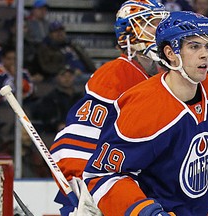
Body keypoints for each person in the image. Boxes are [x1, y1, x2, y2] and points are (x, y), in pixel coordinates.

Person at [78, 11, 208, 215]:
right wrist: (145, 211)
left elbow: (204, 162)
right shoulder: (144, 106)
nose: (204, 54)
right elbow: (103, 175)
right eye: (194, 46)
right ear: (171, 53)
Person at [49, 0, 168, 215]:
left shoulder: (162, 77)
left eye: (162, 23)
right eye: (153, 23)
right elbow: (74, 143)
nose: (161, 30)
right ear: (129, 32)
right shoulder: (117, 74)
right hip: (102, 188)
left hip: (139, 183)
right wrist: (84, 188)